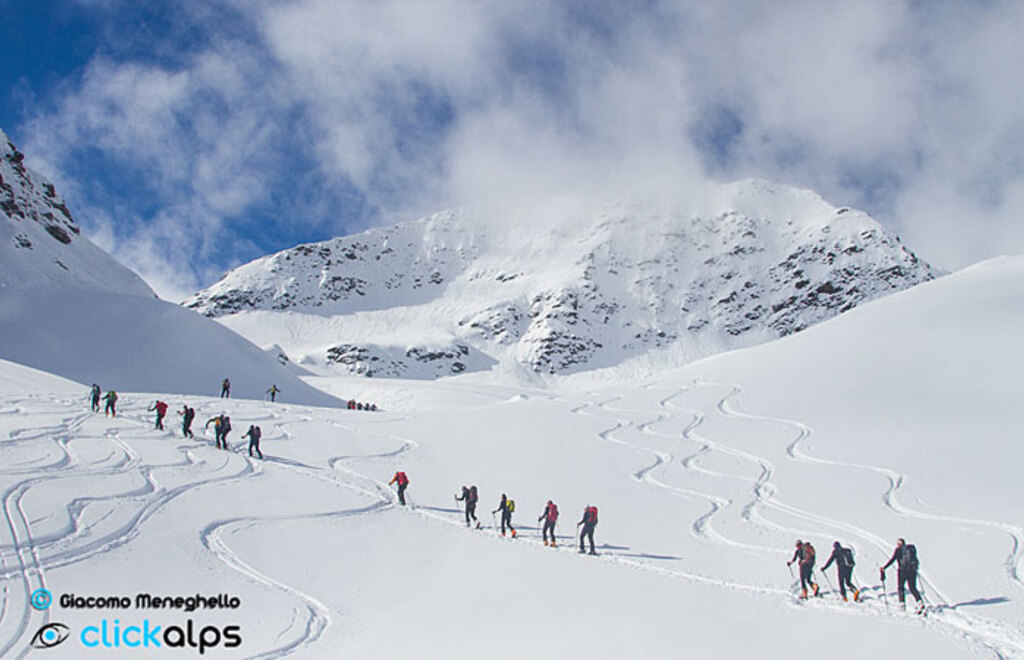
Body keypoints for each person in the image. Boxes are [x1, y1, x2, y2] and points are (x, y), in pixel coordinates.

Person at [880, 538, 923, 612]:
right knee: (912, 587)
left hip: (902, 571)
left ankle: (902, 604)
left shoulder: (898, 550)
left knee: (901, 587)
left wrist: (884, 568)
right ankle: (919, 602)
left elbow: (892, 560)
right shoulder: (910, 550)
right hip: (912, 571)